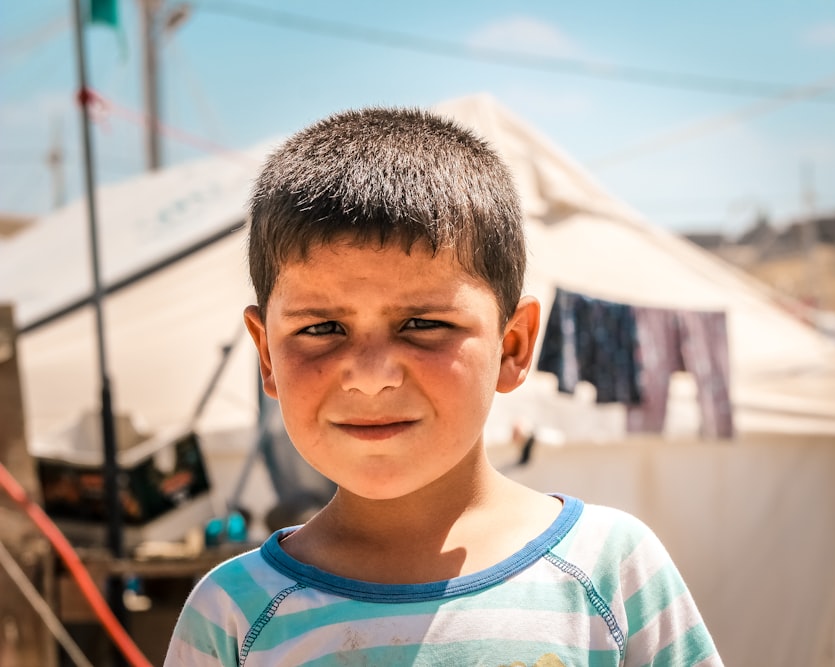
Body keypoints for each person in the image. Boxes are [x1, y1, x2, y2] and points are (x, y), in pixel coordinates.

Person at [164, 106, 723, 667]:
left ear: (513, 347)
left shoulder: (610, 570)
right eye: (322, 329)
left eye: (424, 325)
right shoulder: (233, 613)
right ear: (266, 353)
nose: (371, 375)